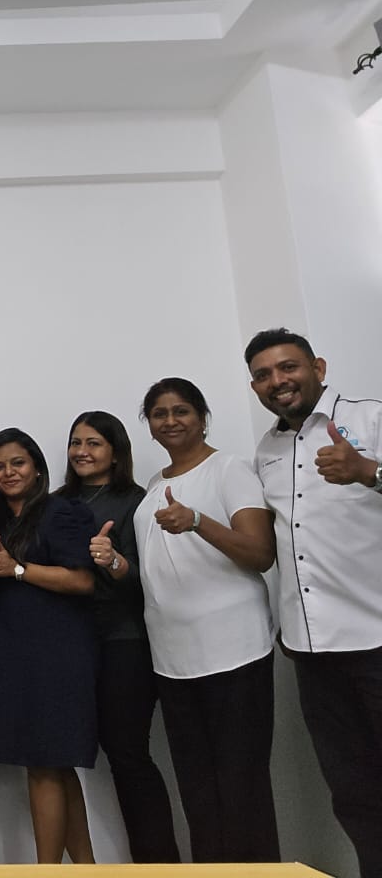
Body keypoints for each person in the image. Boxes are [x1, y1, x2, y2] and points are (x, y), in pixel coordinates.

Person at [245, 328, 382, 878]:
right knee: (353, 792)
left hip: (377, 639)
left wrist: (369, 472)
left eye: (288, 367)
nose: (277, 381)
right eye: (263, 374)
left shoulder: (370, 418)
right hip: (313, 652)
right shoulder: (267, 450)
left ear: (318, 367)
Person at [132, 377, 279, 863]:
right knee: (198, 793)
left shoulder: (229, 469)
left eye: (181, 411)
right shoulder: (154, 485)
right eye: (159, 413)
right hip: (173, 661)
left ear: (202, 418)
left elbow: (260, 553)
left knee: (242, 791)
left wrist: (198, 521)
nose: (170, 421)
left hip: (234, 653)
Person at [57, 411, 179, 863]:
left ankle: (159, 864)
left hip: (124, 641)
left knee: (128, 754)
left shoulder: (136, 501)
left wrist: (113, 561)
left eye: (93, 443)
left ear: (115, 452)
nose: (82, 451)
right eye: (76, 442)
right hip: (72, 644)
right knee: (71, 756)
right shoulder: (56, 503)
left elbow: (147, 579)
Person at [0, 427, 97, 864]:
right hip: (15, 658)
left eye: (18, 463)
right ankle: (86, 868)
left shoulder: (61, 511)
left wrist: (18, 570)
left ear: (38, 469)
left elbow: (82, 580)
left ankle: (46, 870)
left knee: (44, 766)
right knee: (54, 767)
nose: (8, 473)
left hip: (55, 658)